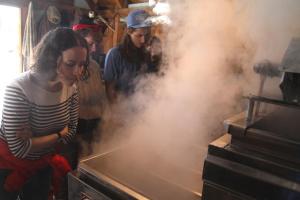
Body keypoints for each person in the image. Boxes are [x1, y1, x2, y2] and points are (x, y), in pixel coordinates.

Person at [0, 27, 88, 200]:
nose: (78, 73)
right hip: (8, 165)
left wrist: (35, 138)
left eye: (82, 64)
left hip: (42, 163)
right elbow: (19, 149)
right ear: (50, 59)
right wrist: (57, 133)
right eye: (70, 64)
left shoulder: (71, 89)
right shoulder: (19, 89)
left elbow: (70, 133)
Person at [72, 17, 106, 157]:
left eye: (95, 44)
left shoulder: (94, 66)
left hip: (95, 121)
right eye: (90, 44)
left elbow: (100, 95)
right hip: (78, 123)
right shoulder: (69, 67)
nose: (94, 49)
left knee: (92, 157)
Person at [103, 9, 152, 103]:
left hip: (145, 110)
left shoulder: (146, 53)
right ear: (129, 32)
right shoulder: (115, 54)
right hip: (123, 110)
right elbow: (109, 90)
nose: (143, 40)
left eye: (146, 35)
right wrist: (116, 113)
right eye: (139, 35)